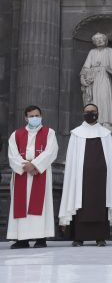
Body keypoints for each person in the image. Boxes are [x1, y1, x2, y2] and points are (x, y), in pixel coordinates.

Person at [58, 103, 112, 246]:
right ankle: (78, 237)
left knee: (100, 205)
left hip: (101, 178)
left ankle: (100, 237)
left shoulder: (106, 135)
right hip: (80, 178)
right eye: (87, 111)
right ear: (83, 113)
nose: (90, 114)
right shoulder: (76, 134)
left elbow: (110, 160)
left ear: (98, 113)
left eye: (93, 111)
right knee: (80, 203)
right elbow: (71, 160)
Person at [7, 105, 58, 249]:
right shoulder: (16, 134)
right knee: (21, 205)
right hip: (22, 173)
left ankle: (41, 238)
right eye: (31, 116)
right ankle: (22, 239)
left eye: (37, 115)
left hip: (40, 173)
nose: (34, 118)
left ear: (41, 116)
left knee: (40, 205)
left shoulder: (49, 133)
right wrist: (26, 165)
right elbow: (12, 154)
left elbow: (51, 152)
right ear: (26, 118)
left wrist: (35, 165)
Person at [80, 32, 112, 133]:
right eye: (96, 39)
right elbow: (85, 68)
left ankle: (107, 121)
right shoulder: (92, 52)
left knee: (106, 98)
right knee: (96, 99)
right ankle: (97, 121)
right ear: (94, 42)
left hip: (106, 79)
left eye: (101, 38)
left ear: (105, 40)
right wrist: (83, 77)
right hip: (95, 80)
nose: (99, 40)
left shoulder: (110, 51)